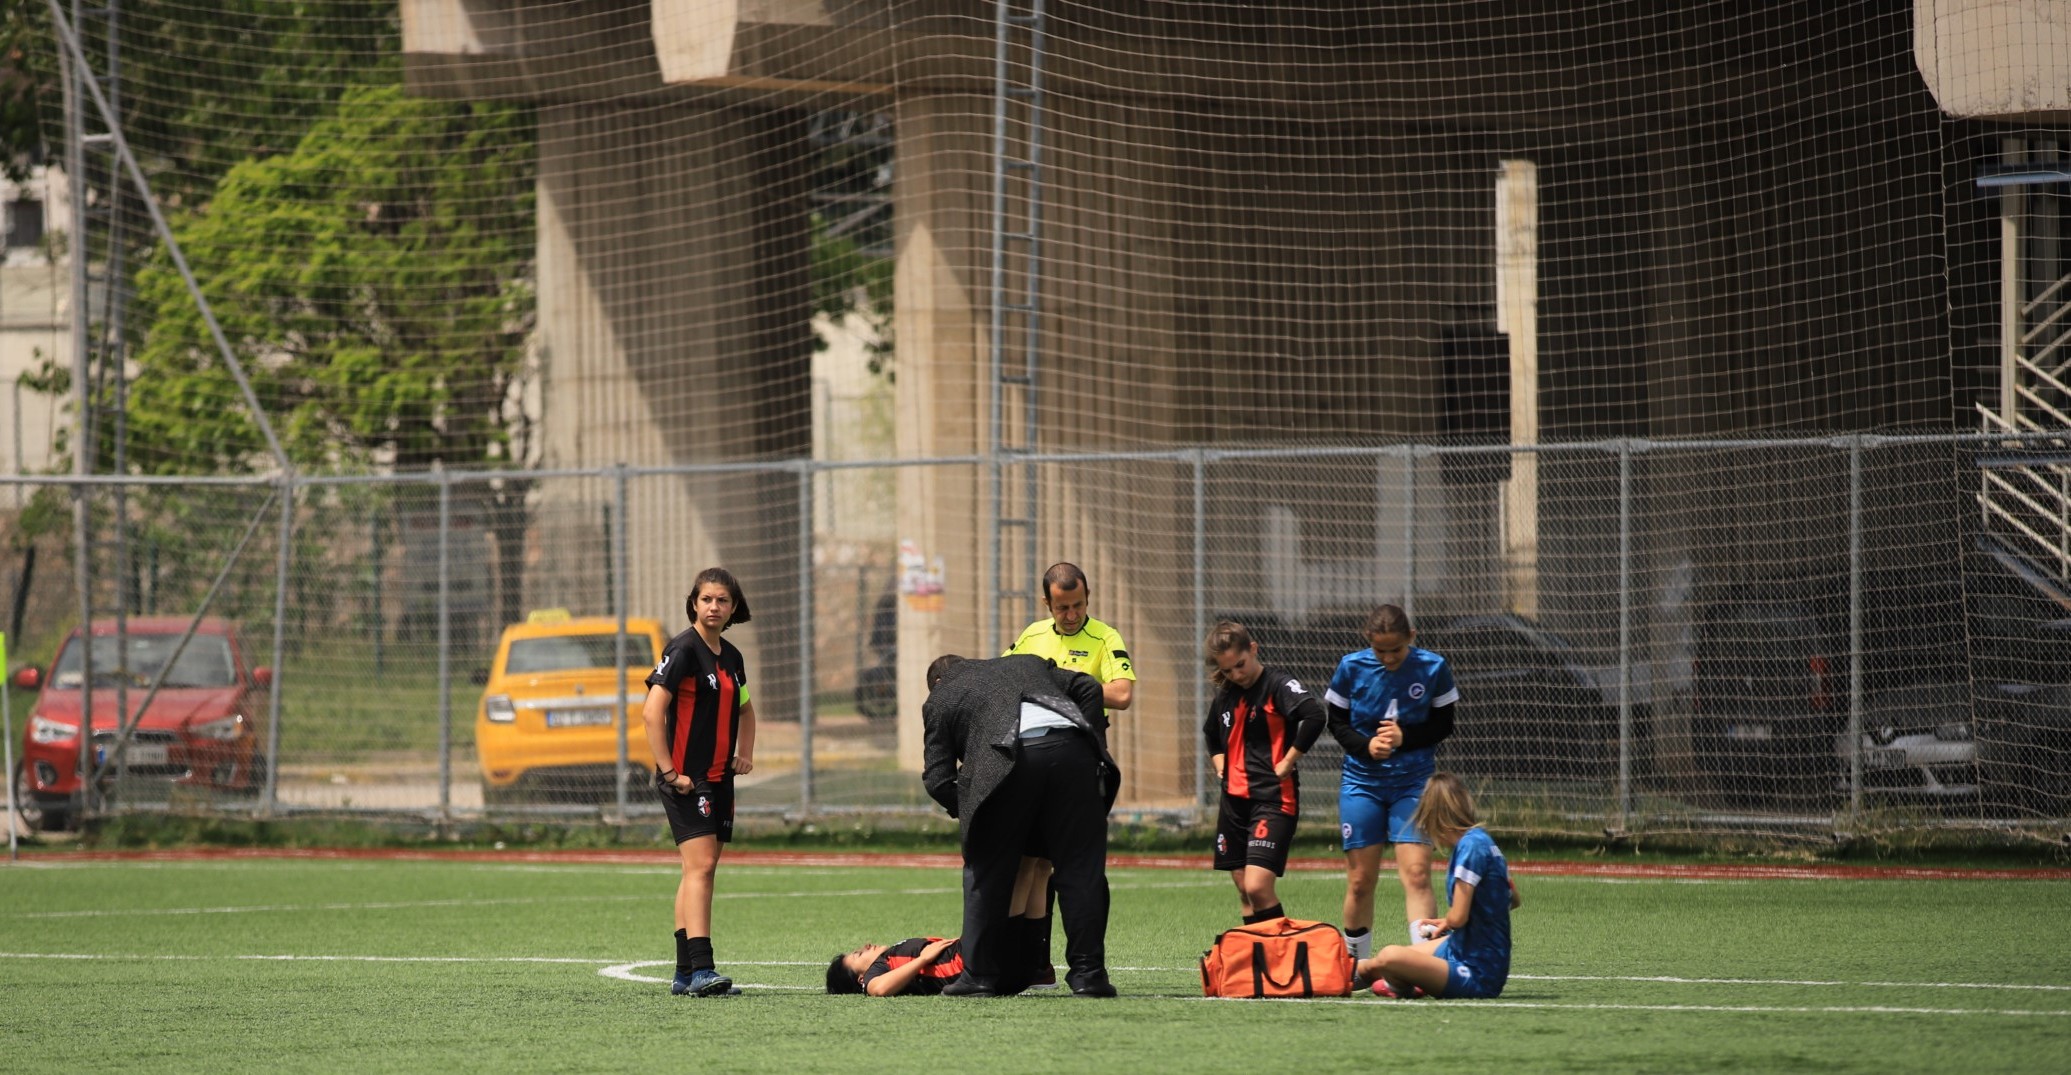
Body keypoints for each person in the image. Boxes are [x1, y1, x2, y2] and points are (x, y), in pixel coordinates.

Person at [921, 652, 1122, 997]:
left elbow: (938, 779)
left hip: (1010, 762)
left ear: (937, 683)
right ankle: (1089, 976)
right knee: (1080, 868)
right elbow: (1088, 687)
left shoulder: (941, 695)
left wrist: (974, 810)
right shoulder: (1025, 662)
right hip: (1074, 752)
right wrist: (1094, 749)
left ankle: (979, 976)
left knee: (985, 869)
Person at [1001, 562, 1136, 982]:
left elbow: (1123, 693)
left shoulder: (1105, 637)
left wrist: (1061, 685)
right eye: (1063, 607)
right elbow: (1004, 678)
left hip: (1082, 761)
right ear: (1047, 603)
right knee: (1032, 862)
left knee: (1076, 865)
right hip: (1034, 761)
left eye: (1078, 605)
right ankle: (1034, 963)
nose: (1072, 614)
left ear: (1088, 598)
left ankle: (1086, 968)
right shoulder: (1032, 634)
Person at [642, 567, 758, 997]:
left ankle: (684, 973)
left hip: (719, 779)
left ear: (733, 608)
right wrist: (670, 772)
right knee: (703, 868)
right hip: (689, 781)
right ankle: (704, 969)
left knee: (697, 870)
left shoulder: (732, 656)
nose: (714, 607)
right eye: (707, 599)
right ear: (694, 602)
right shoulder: (683, 649)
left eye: (722, 601)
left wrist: (745, 752)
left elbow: (745, 709)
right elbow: (652, 712)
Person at [1326, 603, 1459, 963]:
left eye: (1396, 650)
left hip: (1413, 784)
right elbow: (1336, 722)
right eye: (1379, 650)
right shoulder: (1351, 667)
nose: (1387, 658)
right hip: (1361, 783)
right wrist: (1366, 746)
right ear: (1367, 641)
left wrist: (1406, 738)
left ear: (1411, 638)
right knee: (1360, 880)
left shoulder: (1433, 667)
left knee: (1416, 873)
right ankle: (1354, 966)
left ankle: (1424, 962)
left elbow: (1443, 724)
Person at [1202, 620, 1326, 924]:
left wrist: (1288, 760)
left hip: (1272, 800)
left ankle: (1279, 957)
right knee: (1244, 889)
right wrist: (1220, 764)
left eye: (1240, 665)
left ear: (1253, 649)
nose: (1236, 674)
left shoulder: (1278, 686)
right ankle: (1258, 962)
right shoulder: (1226, 694)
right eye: (1228, 670)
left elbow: (1314, 715)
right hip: (1233, 801)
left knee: (1258, 887)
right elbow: (1211, 734)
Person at [1354, 772, 1519, 999]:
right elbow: (1512, 898)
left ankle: (1401, 986)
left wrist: (1450, 922)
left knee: (1389, 956)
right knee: (1376, 964)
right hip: (1465, 947)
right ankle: (1336, 977)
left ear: (1433, 817)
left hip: (1476, 971)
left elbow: (1459, 917)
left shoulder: (1470, 848)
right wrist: (1458, 922)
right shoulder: (1482, 841)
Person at [824, 860, 1052, 996]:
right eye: (858, 954)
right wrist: (923, 959)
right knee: (1022, 873)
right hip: (988, 968)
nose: (865, 946)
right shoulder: (879, 969)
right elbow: (879, 989)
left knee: (1038, 870)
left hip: (1008, 970)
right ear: (861, 978)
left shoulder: (892, 956)